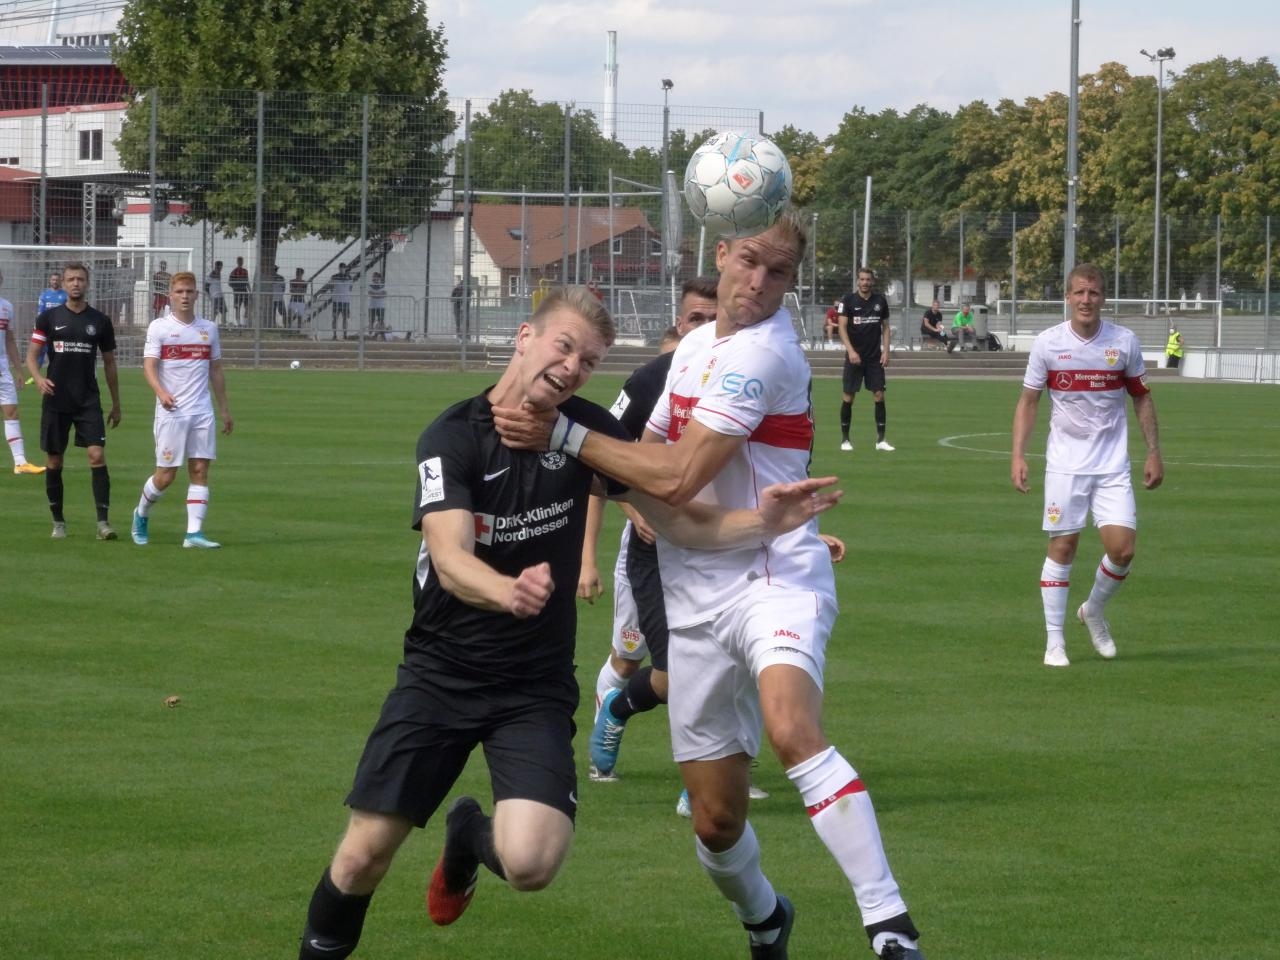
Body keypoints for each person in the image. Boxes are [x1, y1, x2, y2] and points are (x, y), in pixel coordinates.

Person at [294, 286, 837, 960]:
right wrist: (506, 589)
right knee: (361, 861)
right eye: (565, 346)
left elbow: (677, 519)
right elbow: (450, 556)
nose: (574, 367)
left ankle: (469, 836)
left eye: (588, 361)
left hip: (532, 687)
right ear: (525, 337)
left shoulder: (585, 434)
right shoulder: (452, 436)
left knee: (531, 863)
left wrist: (768, 526)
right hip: (439, 676)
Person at [494, 213, 926, 960]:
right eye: (750, 261)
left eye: (780, 272)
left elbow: (676, 473)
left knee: (793, 730)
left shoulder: (766, 354)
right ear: (720, 256)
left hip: (775, 580)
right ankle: (766, 917)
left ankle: (889, 925)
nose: (759, 282)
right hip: (693, 591)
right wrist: (716, 519)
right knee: (715, 822)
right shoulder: (696, 346)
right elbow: (647, 458)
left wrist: (564, 435)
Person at [580, 278, 718, 785]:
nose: (702, 329)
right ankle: (612, 720)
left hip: (718, 547)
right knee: (643, 658)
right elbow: (600, 465)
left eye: (712, 318)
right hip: (653, 552)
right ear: (679, 324)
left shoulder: (748, 377)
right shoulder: (649, 381)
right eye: (694, 320)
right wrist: (594, 552)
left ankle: (719, 777)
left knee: (728, 665)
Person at [1011, 262, 1164, 668]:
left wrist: (1153, 451)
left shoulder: (1124, 342)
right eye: (1079, 292)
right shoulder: (1048, 344)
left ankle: (1093, 609)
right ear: (1067, 297)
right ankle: (1055, 641)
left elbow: (1142, 397)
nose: (1086, 300)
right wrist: (1018, 455)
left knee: (1123, 549)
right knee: (1063, 546)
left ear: (1103, 298)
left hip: (1112, 465)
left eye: (1093, 293)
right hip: (1065, 465)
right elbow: (1028, 402)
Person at [130, 271, 233, 550]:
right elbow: (149, 366)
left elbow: (216, 369)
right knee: (166, 475)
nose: (185, 296)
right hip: (172, 412)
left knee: (200, 469)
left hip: (202, 410)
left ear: (197, 295)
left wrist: (224, 409)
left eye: (189, 291)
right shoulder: (159, 327)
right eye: (179, 292)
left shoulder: (208, 329)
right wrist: (161, 393)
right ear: (171, 295)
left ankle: (193, 534)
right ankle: (141, 514)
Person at [25, 262, 122, 541]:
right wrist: (39, 378)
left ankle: (103, 523)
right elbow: (32, 355)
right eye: (71, 279)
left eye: (80, 279)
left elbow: (110, 363)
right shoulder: (48, 318)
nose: (75, 283)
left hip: (87, 399)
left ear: (87, 283)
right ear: (64, 284)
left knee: (96, 455)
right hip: (56, 399)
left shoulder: (100, 321)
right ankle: (58, 522)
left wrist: (116, 403)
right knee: (54, 461)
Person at [837, 267, 894, 453]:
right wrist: (851, 351)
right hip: (855, 358)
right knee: (849, 397)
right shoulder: (848, 300)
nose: (865, 282)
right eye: (862, 279)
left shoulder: (880, 301)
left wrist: (886, 351)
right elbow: (842, 328)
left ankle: (881, 440)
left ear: (872, 281)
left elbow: (885, 327)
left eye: (868, 279)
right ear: (857, 281)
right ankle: (845, 440)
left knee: (879, 395)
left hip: (874, 357)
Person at [1, 270, 45, 474]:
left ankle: (20, 462)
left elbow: (9, 339)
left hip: (2, 369)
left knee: (11, 412)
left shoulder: (6, 307)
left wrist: (19, 370)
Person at [331, 263, 353, 340]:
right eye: (341, 268)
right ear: (339, 268)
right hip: (336, 301)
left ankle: (345, 334)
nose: (342, 269)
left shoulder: (349, 277)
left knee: (345, 318)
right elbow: (331, 286)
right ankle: (334, 334)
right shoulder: (334, 277)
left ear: (345, 268)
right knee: (335, 318)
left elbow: (350, 288)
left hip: (345, 301)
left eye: (343, 268)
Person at [228, 256, 251, 325]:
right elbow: (230, 283)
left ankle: (245, 323)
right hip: (237, 292)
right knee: (237, 307)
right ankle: (238, 324)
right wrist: (235, 288)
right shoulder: (234, 272)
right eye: (239, 261)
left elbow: (247, 282)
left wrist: (250, 291)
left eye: (241, 261)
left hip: (244, 291)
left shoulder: (245, 271)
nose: (240, 262)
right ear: (237, 262)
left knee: (247, 307)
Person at [205, 260, 227, 325]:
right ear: (216, 267)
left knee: (224, 311)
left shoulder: (219, 274)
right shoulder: (212, 274)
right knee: (215, 312)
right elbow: (206, 286)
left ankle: (223, 324)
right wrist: (209, 295)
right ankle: (211, 324)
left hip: (220, 295)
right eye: (219, 267)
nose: (220, 269)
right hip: (215, 296)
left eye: (221, 267)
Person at [368, 272, 386, 339]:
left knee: (381, 321)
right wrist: (379, 294)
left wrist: (375, 295)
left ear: (379, 278)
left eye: (375, 277)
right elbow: (370, 293)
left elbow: (384, 294)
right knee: (371, 321)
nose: (374, 279)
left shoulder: (383, 285)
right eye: (373, 277)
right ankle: (370, 335)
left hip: (381, 306)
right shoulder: (370, 285)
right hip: (372, 306)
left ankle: (382, 335)